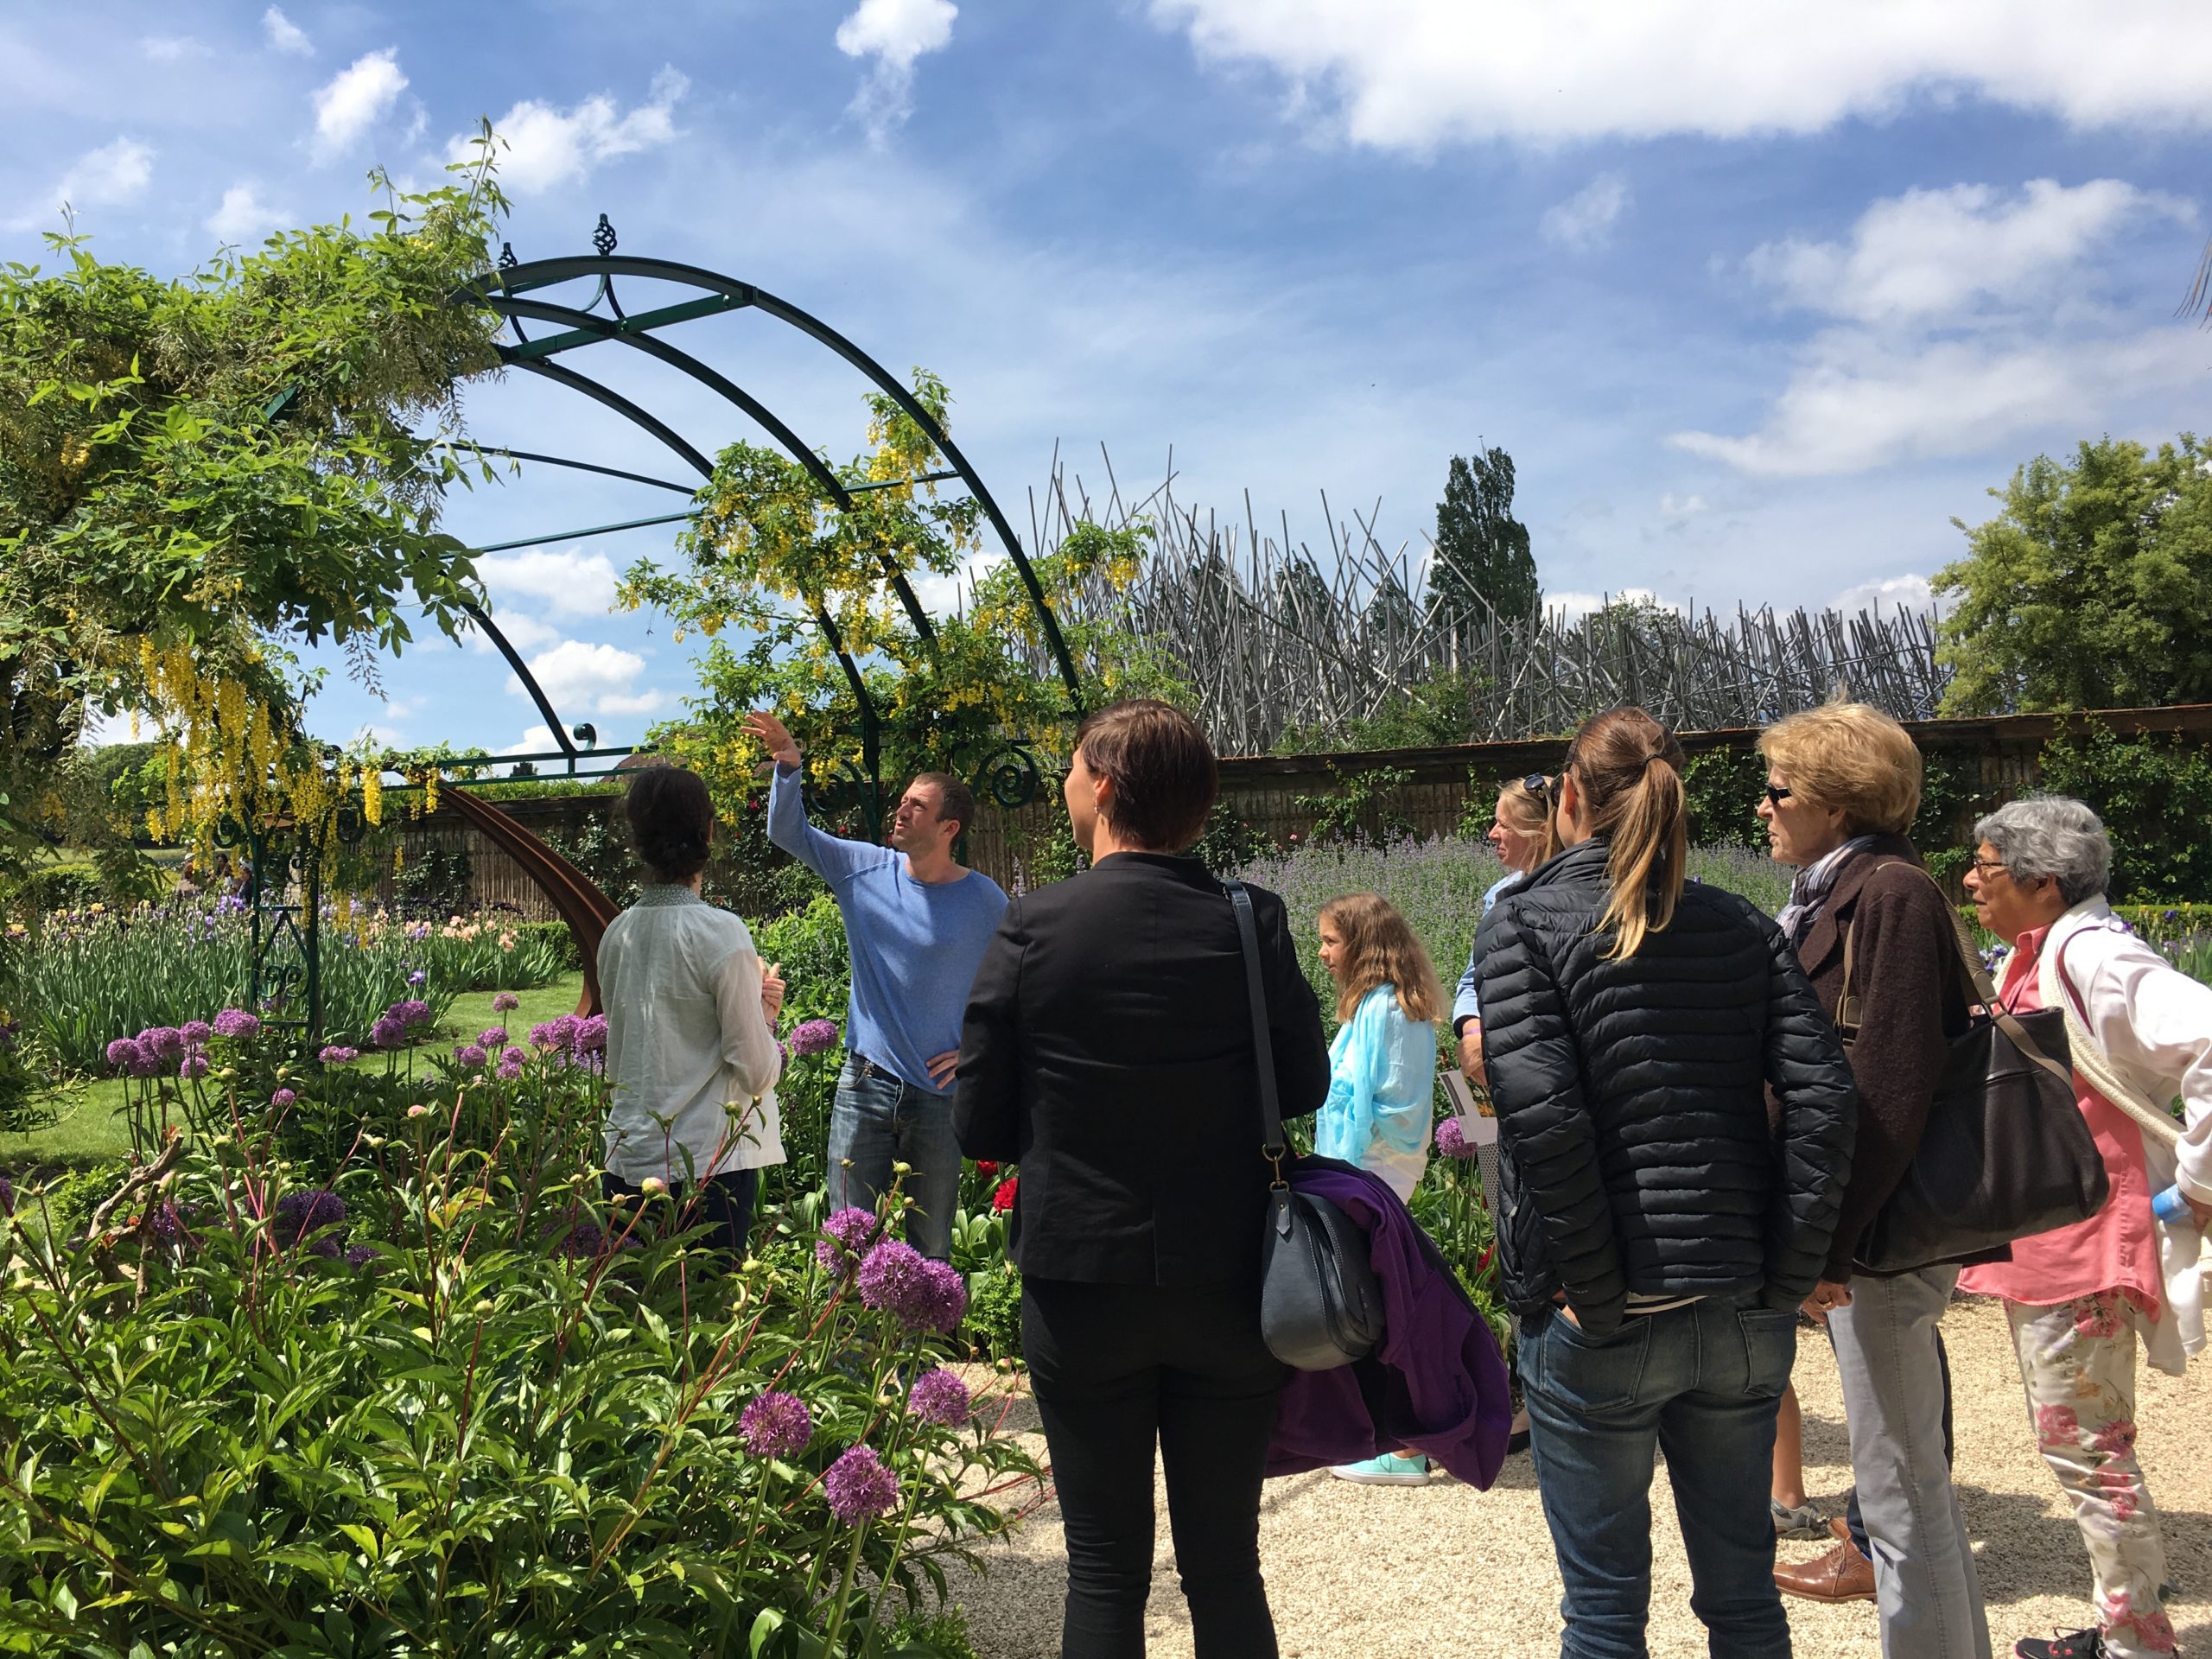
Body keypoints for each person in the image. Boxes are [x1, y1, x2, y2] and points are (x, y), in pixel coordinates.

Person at [1476, 704, 1859, 1659]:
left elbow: (1544, 1116)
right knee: (1743, 1602)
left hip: (1603, 1314)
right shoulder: (1738, 923)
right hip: (1736, 1302)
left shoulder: (1523, 921)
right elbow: (1825, 1101)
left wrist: (1597, 1294)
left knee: (1604, 1616)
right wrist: (1785, 1270)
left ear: (1569, 795)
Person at [956, 699, 1331, 1659]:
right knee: (1224, 1565)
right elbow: (1303, 1083)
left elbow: (981, 1129)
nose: (1066, 787)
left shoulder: (1033, 924)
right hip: (1231, 1279)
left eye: (1074, 771)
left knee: (1105, 1569)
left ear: (1107, 786)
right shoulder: (1251, 919)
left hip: (1082, 1282)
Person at [1756, 702, 1990, 1657]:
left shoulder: (1886, 894)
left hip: (1880, 1242)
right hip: (1868, 1236)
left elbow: (1888, 1090)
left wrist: (1828, 1240)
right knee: (1903, 1480)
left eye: (1778, 791)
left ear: (1834, 803)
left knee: (1898, 1487)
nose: (1763, 808)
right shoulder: (1842, 891)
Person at [1957, 798, 2212, 1659]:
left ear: (2042, 880)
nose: (1969, 880)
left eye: (1986, 868)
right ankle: (2125, 1627)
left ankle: (2139, 1645)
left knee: (2091, 1456)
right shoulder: (2046, 950)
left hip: (2083, 1244)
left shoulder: (2094, 954)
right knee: (2083, 1449)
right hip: (2054, 1240)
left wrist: (2198, 1182)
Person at [746, 710, 1007, 1262]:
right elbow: (786, 832)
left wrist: (978, 1056)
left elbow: (1018, 989)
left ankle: (915, 1349)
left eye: (918, 805)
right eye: (903, 799)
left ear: (949, 828)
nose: (901, 810)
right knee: (844, 1240)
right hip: (865, 1082)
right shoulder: (860, 868)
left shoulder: (987, 901)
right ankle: (842, 1351)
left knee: (930, 1243)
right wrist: (789, 767)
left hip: (942, 1097)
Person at [597, 764, 787, 1251]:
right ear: (708, 832)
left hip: (627, 1158)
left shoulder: (617, 933)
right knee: (704, 1314)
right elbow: (756, 1070)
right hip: (706, 1166)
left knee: (635, 1310)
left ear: (638, 838)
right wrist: (766, 1016)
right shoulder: (720, 932)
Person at [1313, 891, 1448, 1486]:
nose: (1322, 953)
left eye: (1330, 941)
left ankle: (1403, 1446)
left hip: (1365, 1172)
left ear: (1361, 944)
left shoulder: (1379, 1011)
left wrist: (1324, 1180)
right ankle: (1396, 1438)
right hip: (1387, 1169)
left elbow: (1352, 1105)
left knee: (1375, 1306)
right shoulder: (1404, 1007)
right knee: (1380, 1299)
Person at [1452, 772, 1560, 1088]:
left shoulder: (1575, 895)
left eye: (1505, 825)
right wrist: (1473, 1033)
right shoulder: (1499, 896)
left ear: (1538, 832)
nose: (1491, 834)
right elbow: (1475, 979)